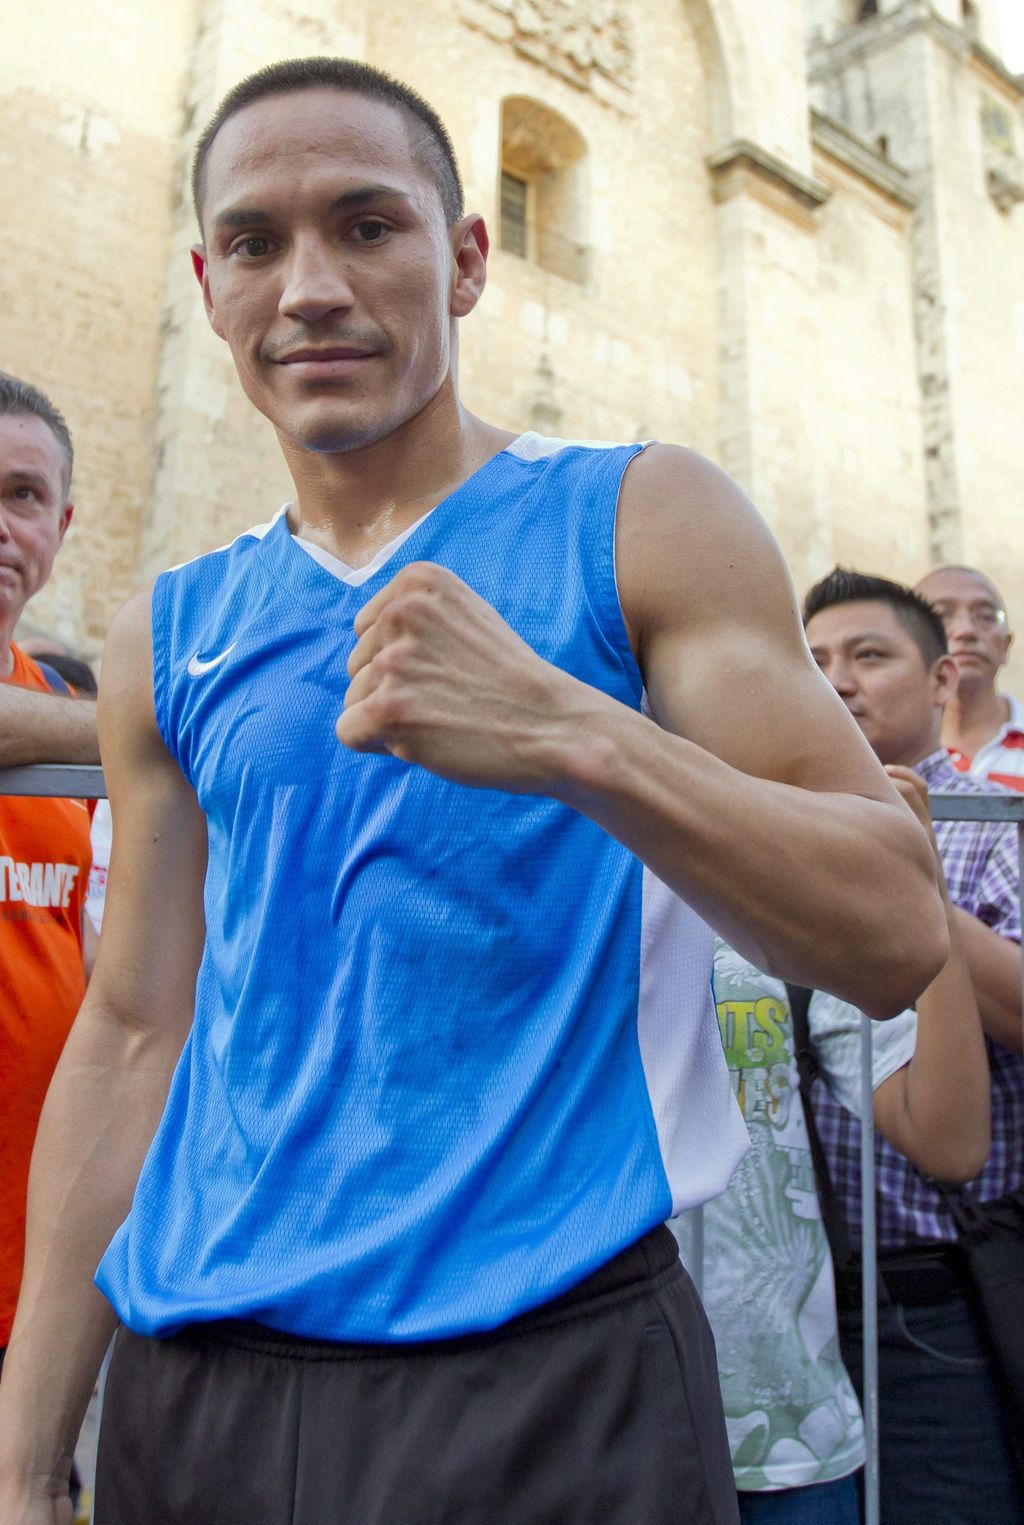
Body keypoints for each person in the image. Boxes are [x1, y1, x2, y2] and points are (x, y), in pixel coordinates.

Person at [0, 59, 947, 1525]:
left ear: (466, 258)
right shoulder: (167, 631)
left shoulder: (641, 519)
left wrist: (580, 735)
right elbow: (132, 1034)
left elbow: (890, 934)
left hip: (545, 1376)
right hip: (200, 1387)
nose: (310, 287)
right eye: (255, 242)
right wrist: (23, 1460)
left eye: (366, 225)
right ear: (209, 287)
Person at [674, 817, 989, 1525]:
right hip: (606, 1409)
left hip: (791, 1427)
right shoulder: (552, 868)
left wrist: (924, 885)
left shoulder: (772, 882)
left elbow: (949, 1139)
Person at [803, 566, 1024, 1523]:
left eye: (868, 655)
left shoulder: (996, 827)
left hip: (940, 1293)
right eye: (813, 660)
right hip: (796, 1307)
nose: (838, 681)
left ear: (942, 680)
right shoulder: (775, 823)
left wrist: (910, 872)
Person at [0, 377, 94, 1439]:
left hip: (26, 1270)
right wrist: (140, 730)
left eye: (22, 495)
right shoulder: (85, 731)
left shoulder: (60, 709)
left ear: (61, 529)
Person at [916, 565, 1024, 791]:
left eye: (985, 616)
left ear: (1005, 646)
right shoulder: (883, 752)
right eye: (941, 615)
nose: (966, 631)